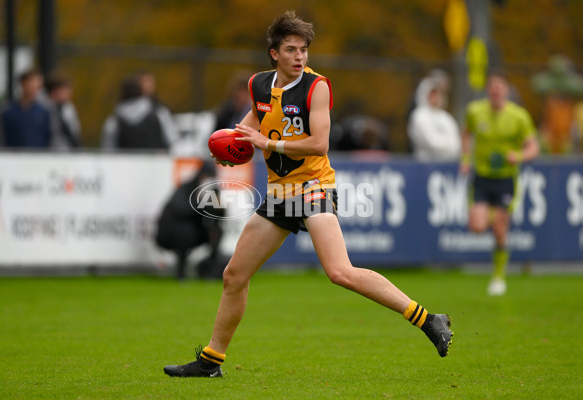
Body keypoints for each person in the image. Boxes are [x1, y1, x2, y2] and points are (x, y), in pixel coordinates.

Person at [164, 11, 453, 379]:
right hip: (280, 193)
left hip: (313, 187)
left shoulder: (317, 87)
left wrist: (266, 142)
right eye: (291, 50)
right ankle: (211, 361)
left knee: (339, 272)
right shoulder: (258, 86)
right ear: (274, 54)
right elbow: (246, 130)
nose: (299, 57)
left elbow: (319, 144)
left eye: (303, 50)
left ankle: (429, 319)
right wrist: (228, 145)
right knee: (234, 274)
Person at [460, 69, 540, 296]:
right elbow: (466, 133)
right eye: (492, 86)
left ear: (506, 90)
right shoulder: (475, 112)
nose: (496, 90)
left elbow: (534, 147)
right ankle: (495, 217)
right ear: (488, 90)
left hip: (505, 178)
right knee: (476, 226)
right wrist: (466, 159)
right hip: (482, 177)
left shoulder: (518, 116)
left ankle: (498, 276)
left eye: (500, 86)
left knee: (500, 230)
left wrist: (519, 156)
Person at [155, 161, 224, 280]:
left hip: (193, 230)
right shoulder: (187, 188)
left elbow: (218, 216)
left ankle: (209, 270)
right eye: (206, 176)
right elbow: (181, 210)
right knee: (185, 231)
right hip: (170, 233)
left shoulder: (212, 191)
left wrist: (218, 208)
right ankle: (180, 272)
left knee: (217, 232)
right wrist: (201, 202)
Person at [101, 76, 179, 150]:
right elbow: (174, 141)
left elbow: (108, 150)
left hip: (125, 163)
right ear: (141, 92)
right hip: (156, 162)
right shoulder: (160, 113)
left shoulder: (114, 121)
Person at [408, 76, 461, 161]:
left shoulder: (446, 117)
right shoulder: (419, 116)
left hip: (447, 163)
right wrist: (446, 142)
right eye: (432, 95)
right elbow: (430, 142)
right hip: (424, 164)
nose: (435, 98)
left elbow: (456, 144)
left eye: (437, 95)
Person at [0, 69, 52, 148]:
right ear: (22, 83)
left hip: (39, 157)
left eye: (38, 82)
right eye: (31, 81)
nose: (35, 85)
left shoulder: (45, 111)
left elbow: (49, 138)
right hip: (12, 156)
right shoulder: (7, 111)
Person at [46, 73, 82, 150]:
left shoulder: (69, 108)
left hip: (68, 154)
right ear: (54, 91)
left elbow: (74, 133)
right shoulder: (45, 110)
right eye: (65, 90)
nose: (69, 93)